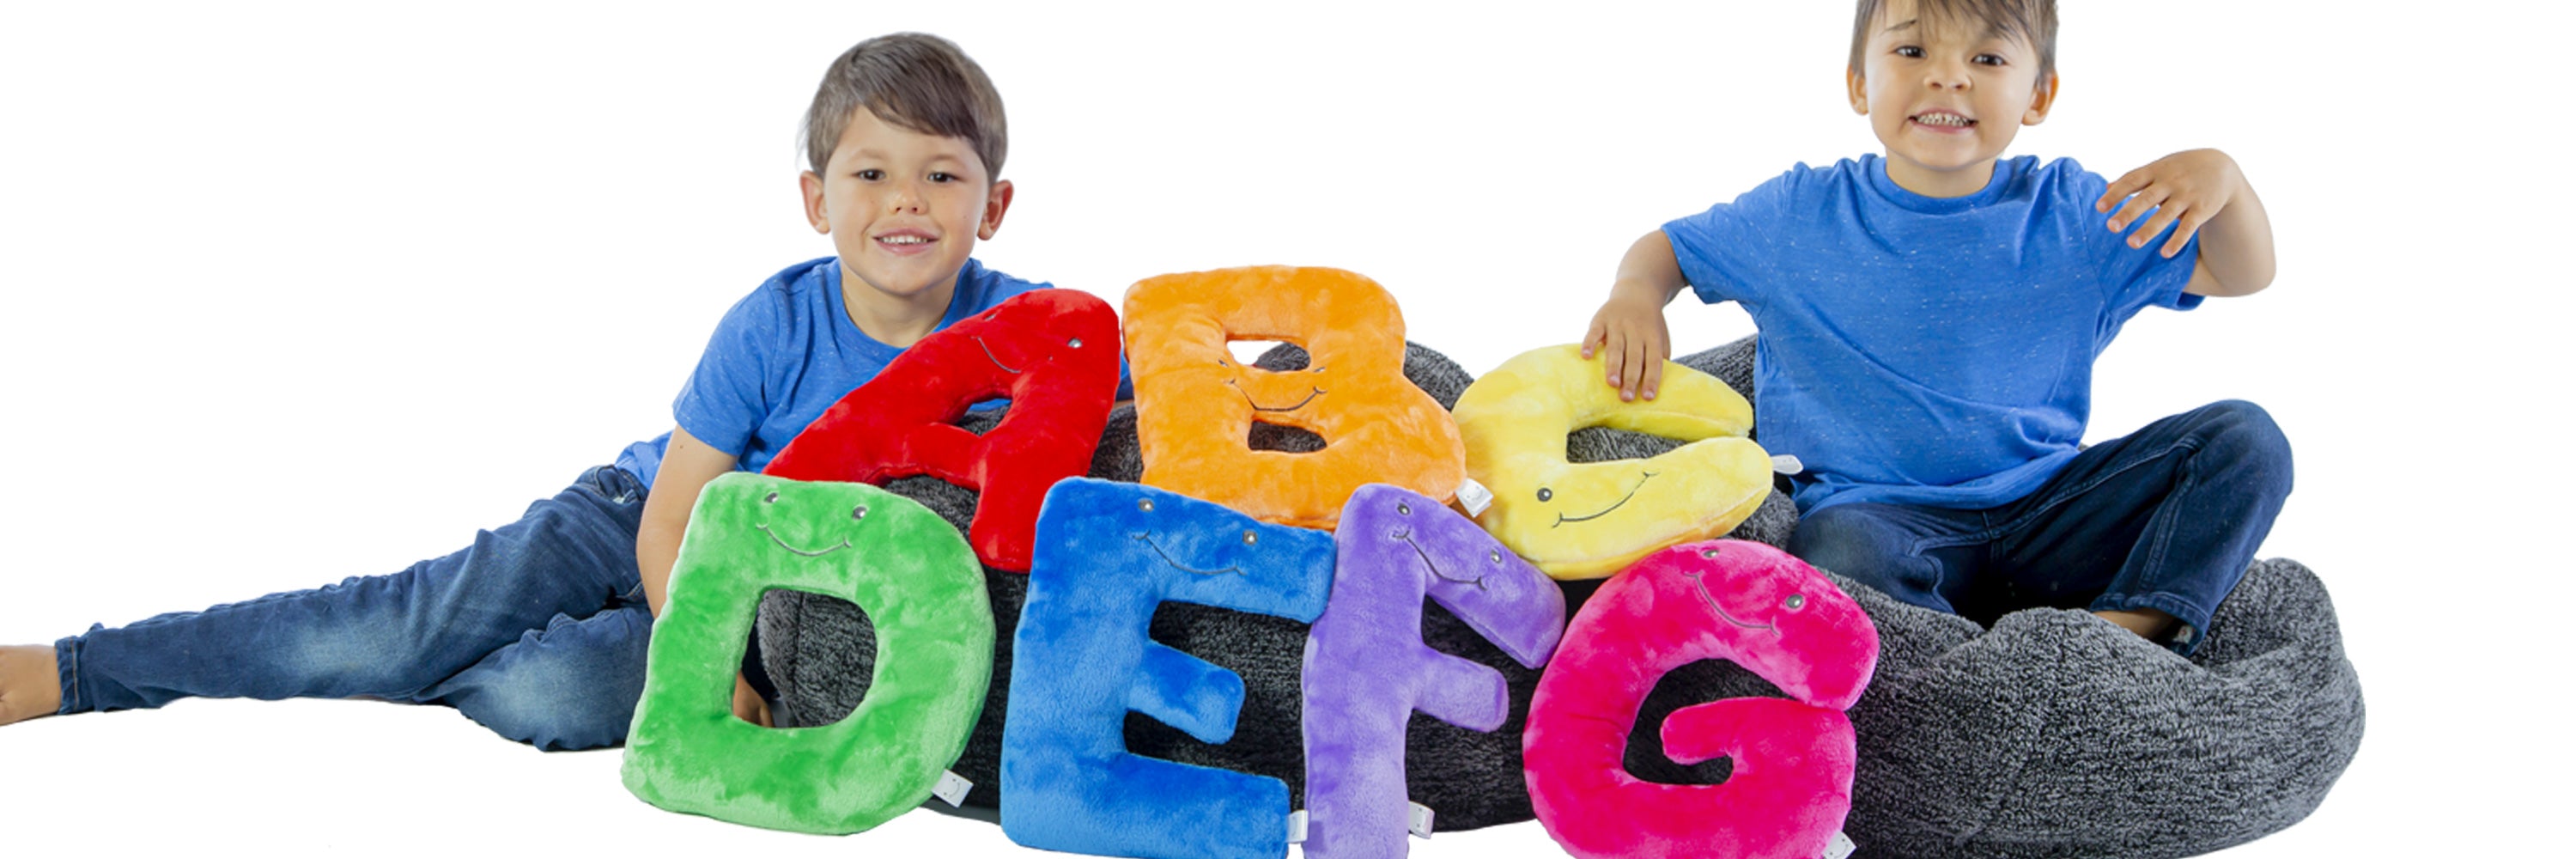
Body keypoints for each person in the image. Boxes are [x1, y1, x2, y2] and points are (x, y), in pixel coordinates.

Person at [0, 32, 1095, 745]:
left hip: (782, 606)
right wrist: (697, 649)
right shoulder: (775, 319)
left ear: (992, 208)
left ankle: (434, 671)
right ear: (817, 199)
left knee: (545, 697)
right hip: (638, 522)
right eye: (871, 173)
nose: (905, 201)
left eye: (941, 175)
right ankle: (79, 670)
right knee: (398, 623)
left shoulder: (1036, 333)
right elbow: (674, 517)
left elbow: (1162, 402)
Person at [1579, 0, 2290, 654]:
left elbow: (2239, 274)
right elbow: (1670, 248)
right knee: (1836, 555)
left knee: (2244, 441)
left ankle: (2119, 638)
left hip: (2048, 509)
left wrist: (2225, 182)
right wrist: (1637, 293)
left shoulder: (2073, 213)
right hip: (1883, 520)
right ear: (1860, 85)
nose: (1948, 80)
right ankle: (1964, 673)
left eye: (1986, 60)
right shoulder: (1799, 215)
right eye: (1913, 52)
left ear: (2038, 95)